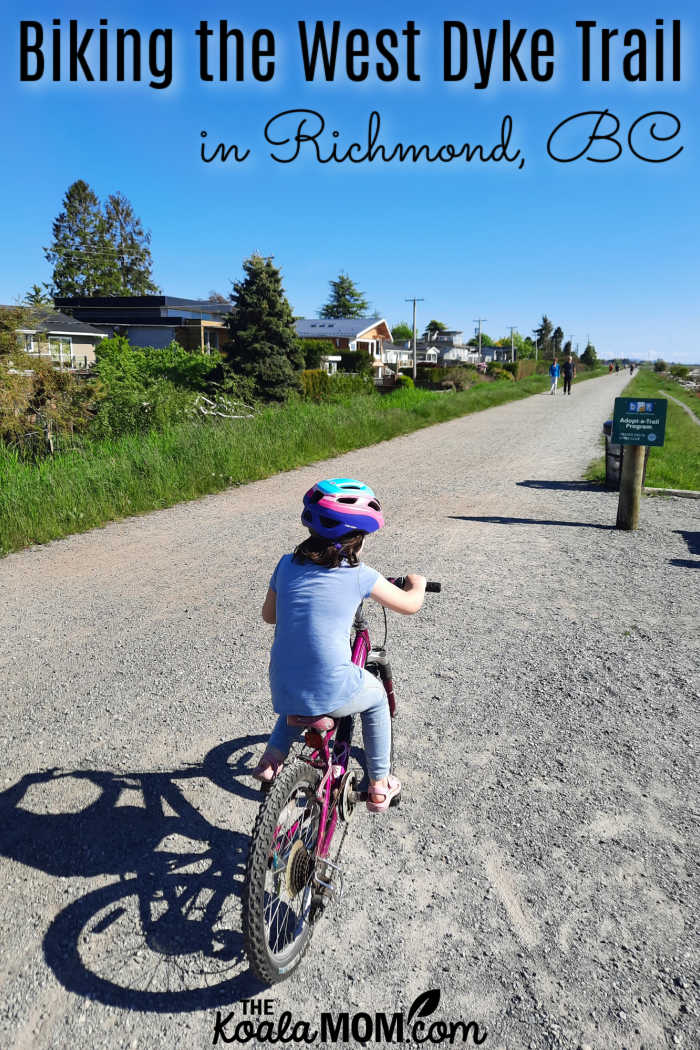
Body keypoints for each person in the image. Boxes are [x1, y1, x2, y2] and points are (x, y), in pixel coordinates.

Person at [253, 478, 427, 813]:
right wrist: (416, 585)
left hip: (282, 683)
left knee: (302, 691)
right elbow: (409, 605)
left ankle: (272, 758)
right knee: (375, 697)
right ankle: (378, 786)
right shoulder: (360, 575)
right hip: (329, 687)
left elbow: (269, 616)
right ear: (358, 538)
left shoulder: (286, 564)